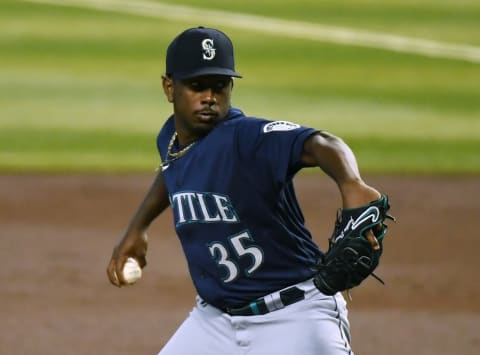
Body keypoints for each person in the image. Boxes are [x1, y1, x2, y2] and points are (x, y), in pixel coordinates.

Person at [107, 26, 387, 355]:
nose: (209, 97)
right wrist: (138, 228)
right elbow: (174, 169)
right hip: (213, 322)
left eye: (219, 87)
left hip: (294, 318)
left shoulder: (246, 138)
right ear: (170, 88)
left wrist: (351, 184)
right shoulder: (171, 137)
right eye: (196, 86)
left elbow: (321, 143)